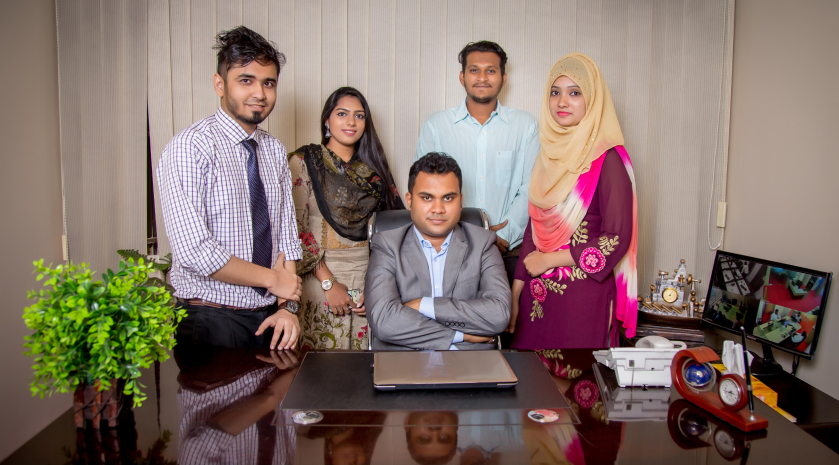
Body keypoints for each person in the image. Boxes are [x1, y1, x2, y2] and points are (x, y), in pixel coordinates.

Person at [158, 26, 303, 350]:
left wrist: (287, 308)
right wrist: (273, 280)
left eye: (268, 83)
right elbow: (194, 251)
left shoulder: (274, 150)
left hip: (271, 318)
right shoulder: (190, 147)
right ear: (220, 84)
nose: (260, 93)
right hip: (211, 319)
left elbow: (286, 237)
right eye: (246, 80)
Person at [508, 53, 638, 350]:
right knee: (528, 374)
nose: (562, 102)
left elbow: (616, 238)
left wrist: (550, 260)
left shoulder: (608, 159)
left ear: (593, 100)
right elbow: (534, 229)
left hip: (582, 298)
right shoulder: (547, 157)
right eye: (555, 92)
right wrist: (514, 296)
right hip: (536, 296)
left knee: (577, 375)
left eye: (575, 93)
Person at [288, 87, 404, 350]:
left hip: (368, 283)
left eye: (359, 116)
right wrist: (329, 283)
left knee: (364, 366)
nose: (351, 122)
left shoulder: (374, 171)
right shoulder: (303, 163)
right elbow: (294, 228)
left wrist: (378, 287)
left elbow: (394, 231)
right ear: (326, 120)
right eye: (342, 114)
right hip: (320, 282)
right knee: (322, 365)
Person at [415, 41, 539, 281]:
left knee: (509, 307)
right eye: (474, 70)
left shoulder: (525, 126)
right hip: (450, 249)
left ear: (503, 78)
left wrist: (503, 235)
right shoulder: (437, 126)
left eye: (491, 70)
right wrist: (463, 236)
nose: (482, 77)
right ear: (462, 77)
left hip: (509, 249)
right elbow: (425, 190)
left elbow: (531, 187)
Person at [365, 153, 511, 350]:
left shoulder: (483, 243)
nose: (438, 209)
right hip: (405, 359)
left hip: (470, 361)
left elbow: (500, 314)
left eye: (448, 198)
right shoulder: (387, 245)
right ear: (409, 201)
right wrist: (459, 336)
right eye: (427, 198)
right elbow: (384, 320)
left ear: (460, 201)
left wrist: (423, 305)